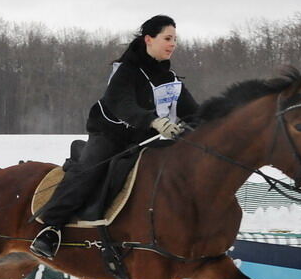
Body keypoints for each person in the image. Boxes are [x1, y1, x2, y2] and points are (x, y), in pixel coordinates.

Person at [31, 15, 199, 259]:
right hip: (110, 135)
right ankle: (51, 228)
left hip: (143, 142)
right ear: (149, 39)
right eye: (167, 38)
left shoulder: (172, 80)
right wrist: (153, 120)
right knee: (90, 171)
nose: (173, 44)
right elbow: (120, 103)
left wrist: (211, 125)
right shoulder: (127, 71)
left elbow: (195, 114)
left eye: (175, 39)